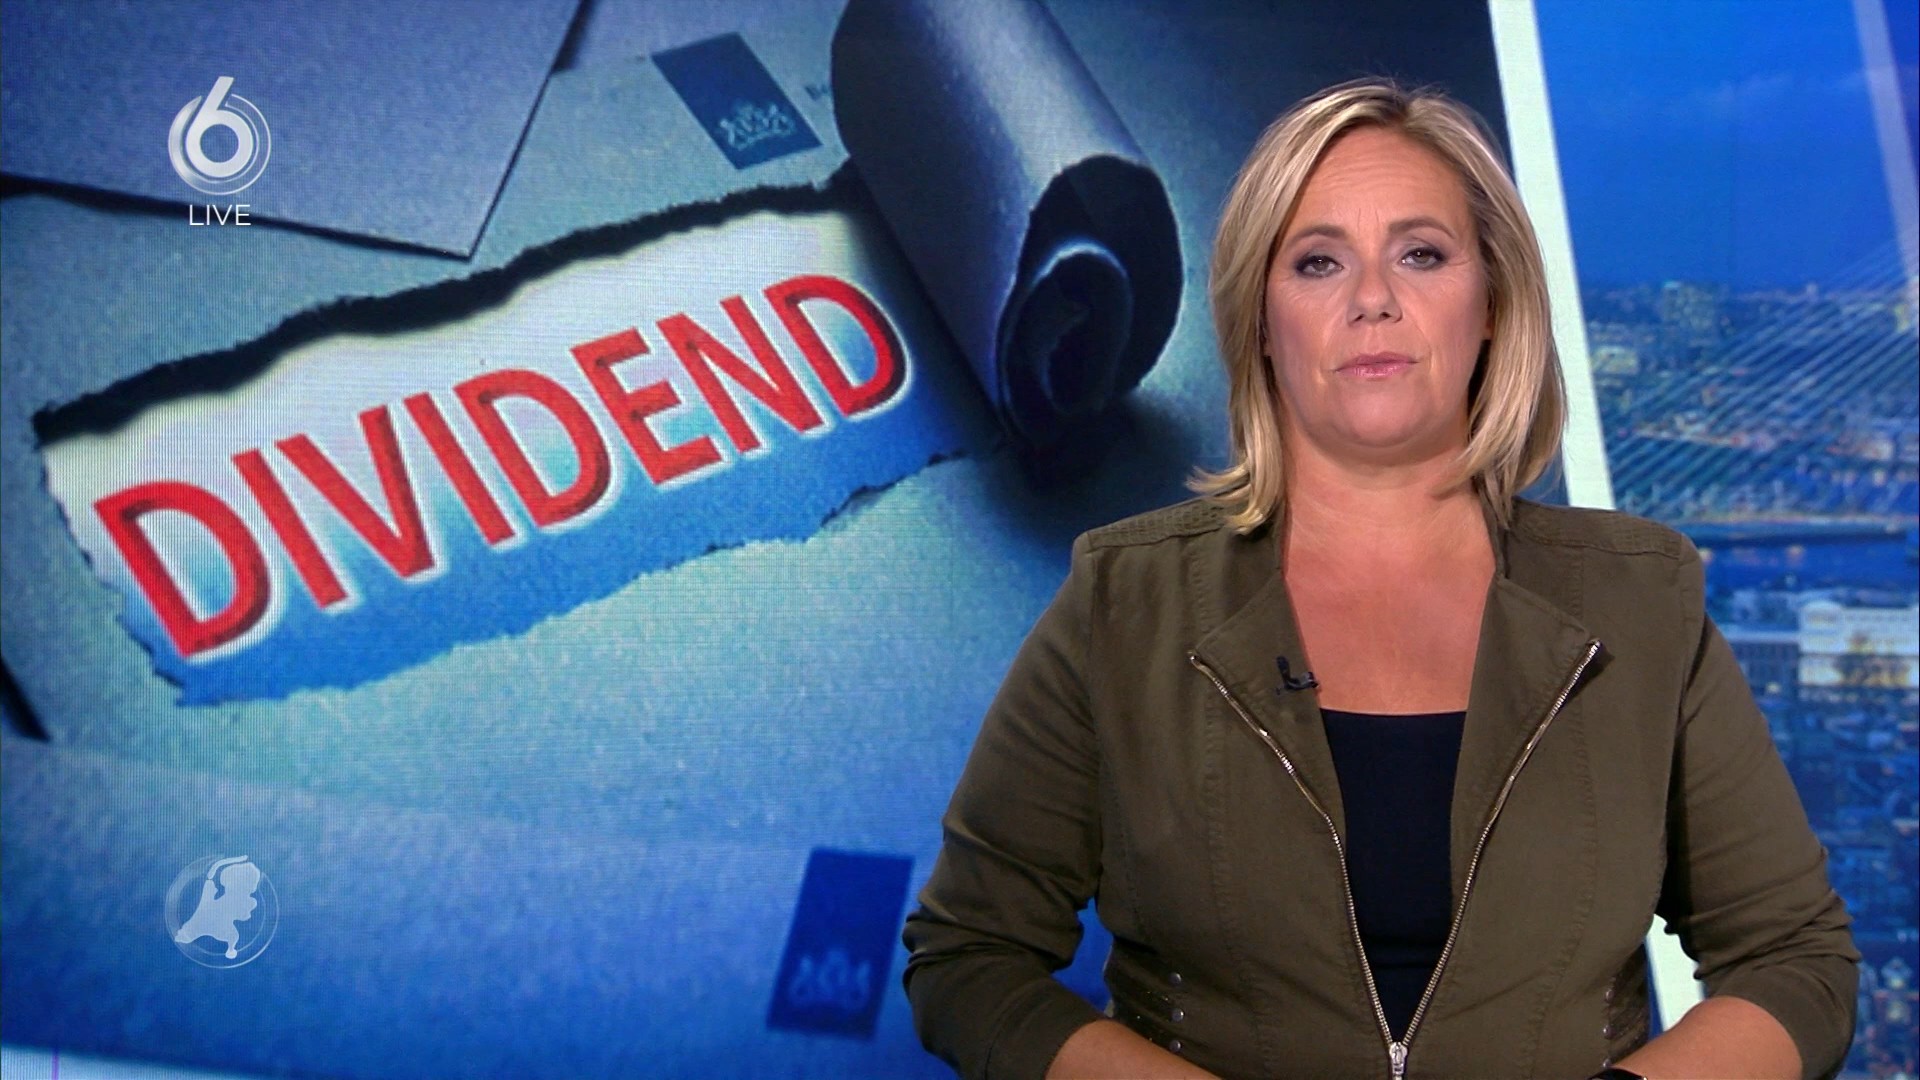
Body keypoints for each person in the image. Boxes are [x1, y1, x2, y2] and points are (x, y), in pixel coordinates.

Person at [900, 79, 1858, 1080]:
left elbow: (1797, 963)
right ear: (1260, 318)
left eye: (1421, 254)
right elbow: (970, 957)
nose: (1372, 299)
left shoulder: (1640, 599)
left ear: (1493, 305)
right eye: (1318, 261)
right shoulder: (1123, 600)